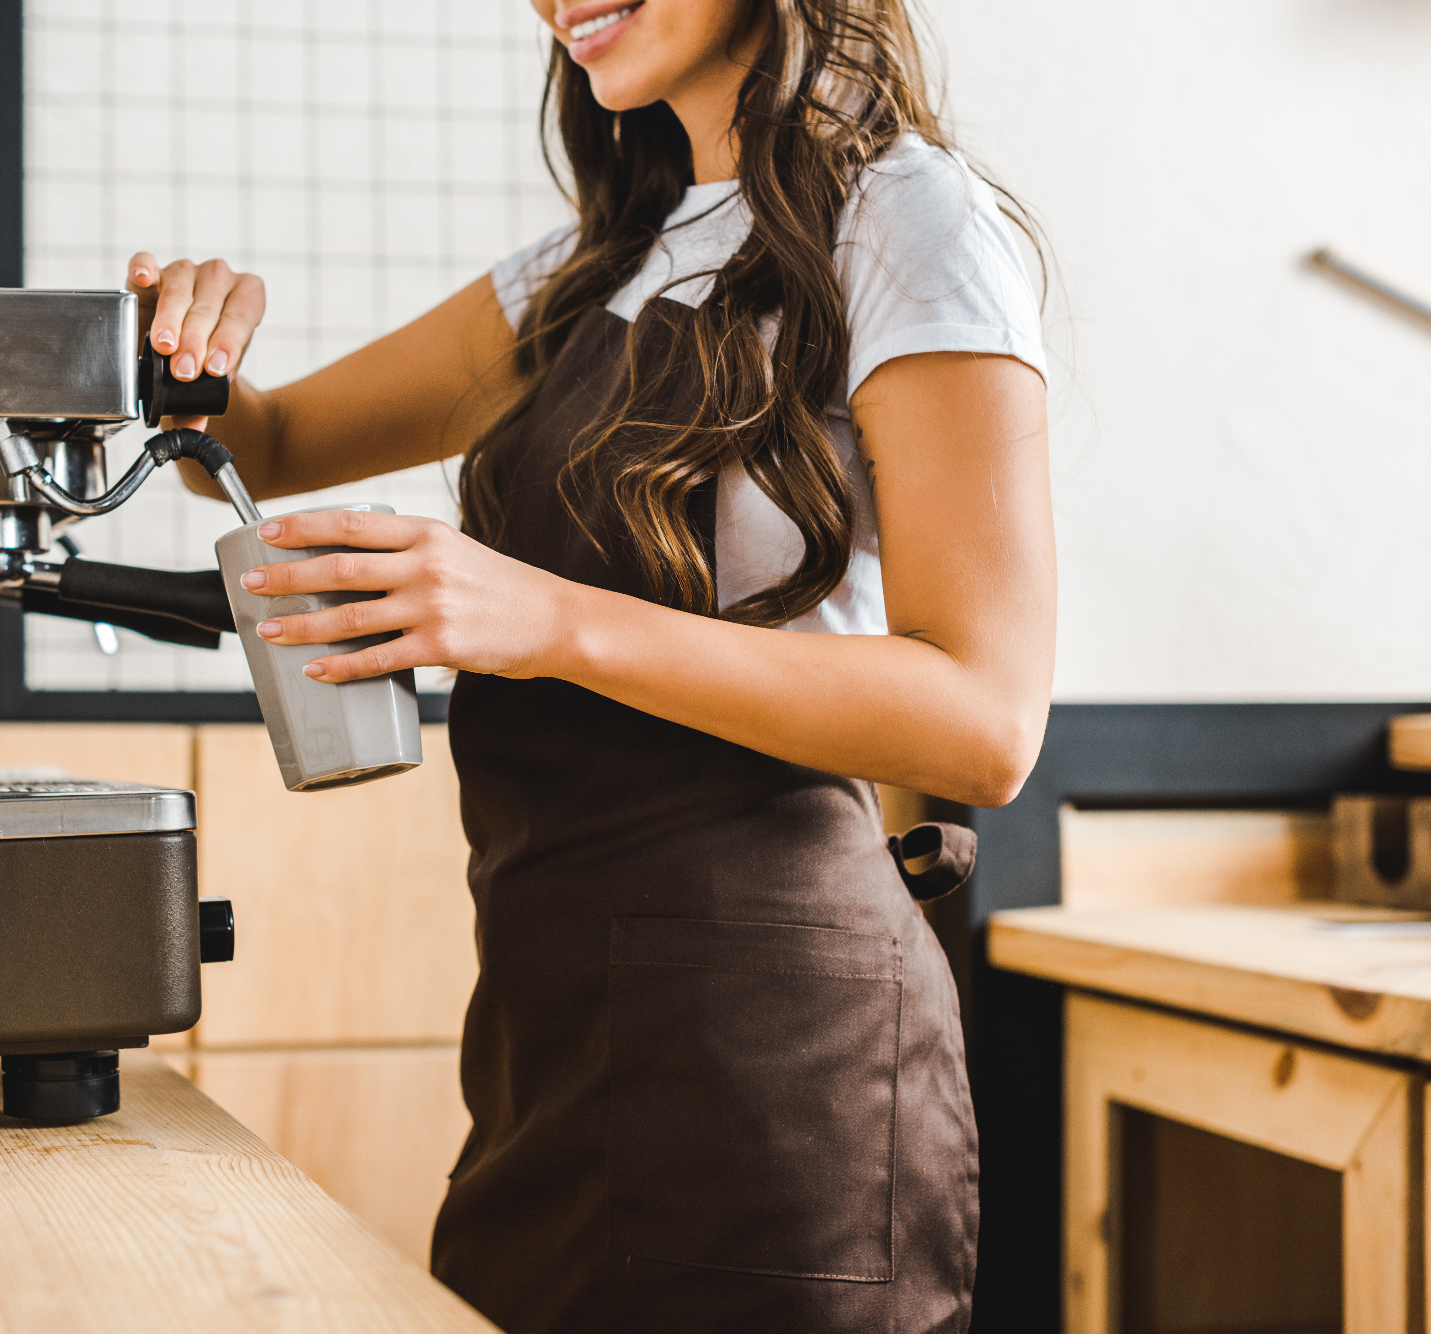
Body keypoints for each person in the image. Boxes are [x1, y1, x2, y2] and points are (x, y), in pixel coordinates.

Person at [127, 1, 1052, 1328]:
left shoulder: (915, 220)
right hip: (543, 1041)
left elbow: (988, 720)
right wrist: (183, 340)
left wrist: (548, 619)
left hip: (775, 1068)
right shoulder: (586, 270)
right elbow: (268, 446)